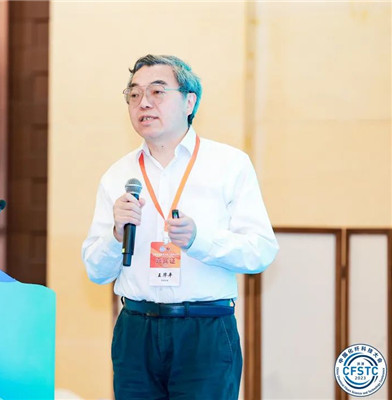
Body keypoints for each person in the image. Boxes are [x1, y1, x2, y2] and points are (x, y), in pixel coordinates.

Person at [81, 54, 279, 399]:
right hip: (136, 330)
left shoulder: (229, 165)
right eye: (134, 94)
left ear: (190, 102)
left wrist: (199, 240)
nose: (144, 103)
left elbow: (260, 251)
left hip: (205, 329)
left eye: (157, 92)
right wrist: (115, 235)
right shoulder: (117, 175)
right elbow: (96, 271)